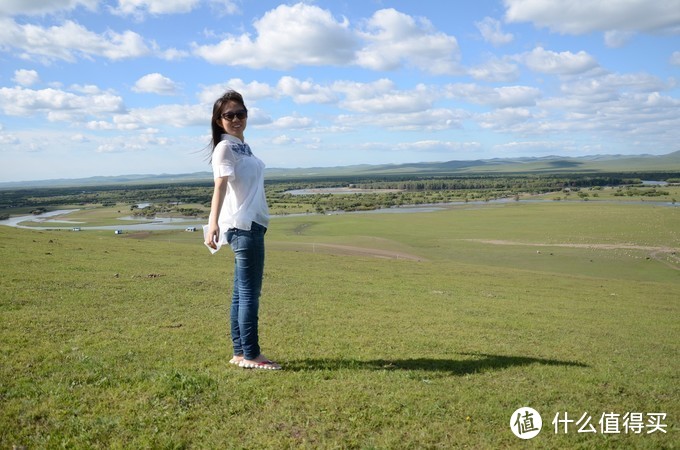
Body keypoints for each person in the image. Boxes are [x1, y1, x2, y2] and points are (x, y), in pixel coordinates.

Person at [204, 90, 281, 370]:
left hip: (252, 224)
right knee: (249, 294)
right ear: (218, 120)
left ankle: (240, 352)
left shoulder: (242, 147)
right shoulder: (224, 148)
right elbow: (220, 186)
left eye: (241, 113)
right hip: (243, 226)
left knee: (240, 293)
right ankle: (251, 354)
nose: (236, 118)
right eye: (229, 115)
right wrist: (213, 223)